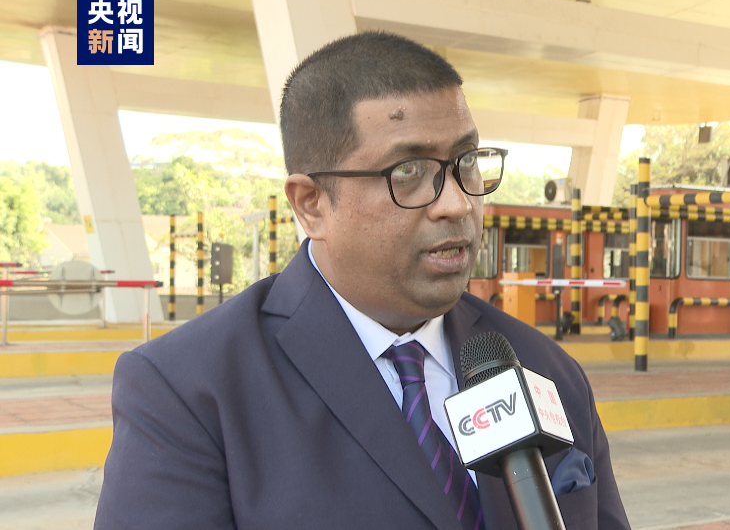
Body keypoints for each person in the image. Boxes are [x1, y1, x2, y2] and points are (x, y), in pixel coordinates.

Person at [94, 31, 630, 530]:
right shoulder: (189, 391)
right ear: (312, 205)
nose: (457, 202)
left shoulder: (546, 369)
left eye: (466, 161)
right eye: (408, 171)